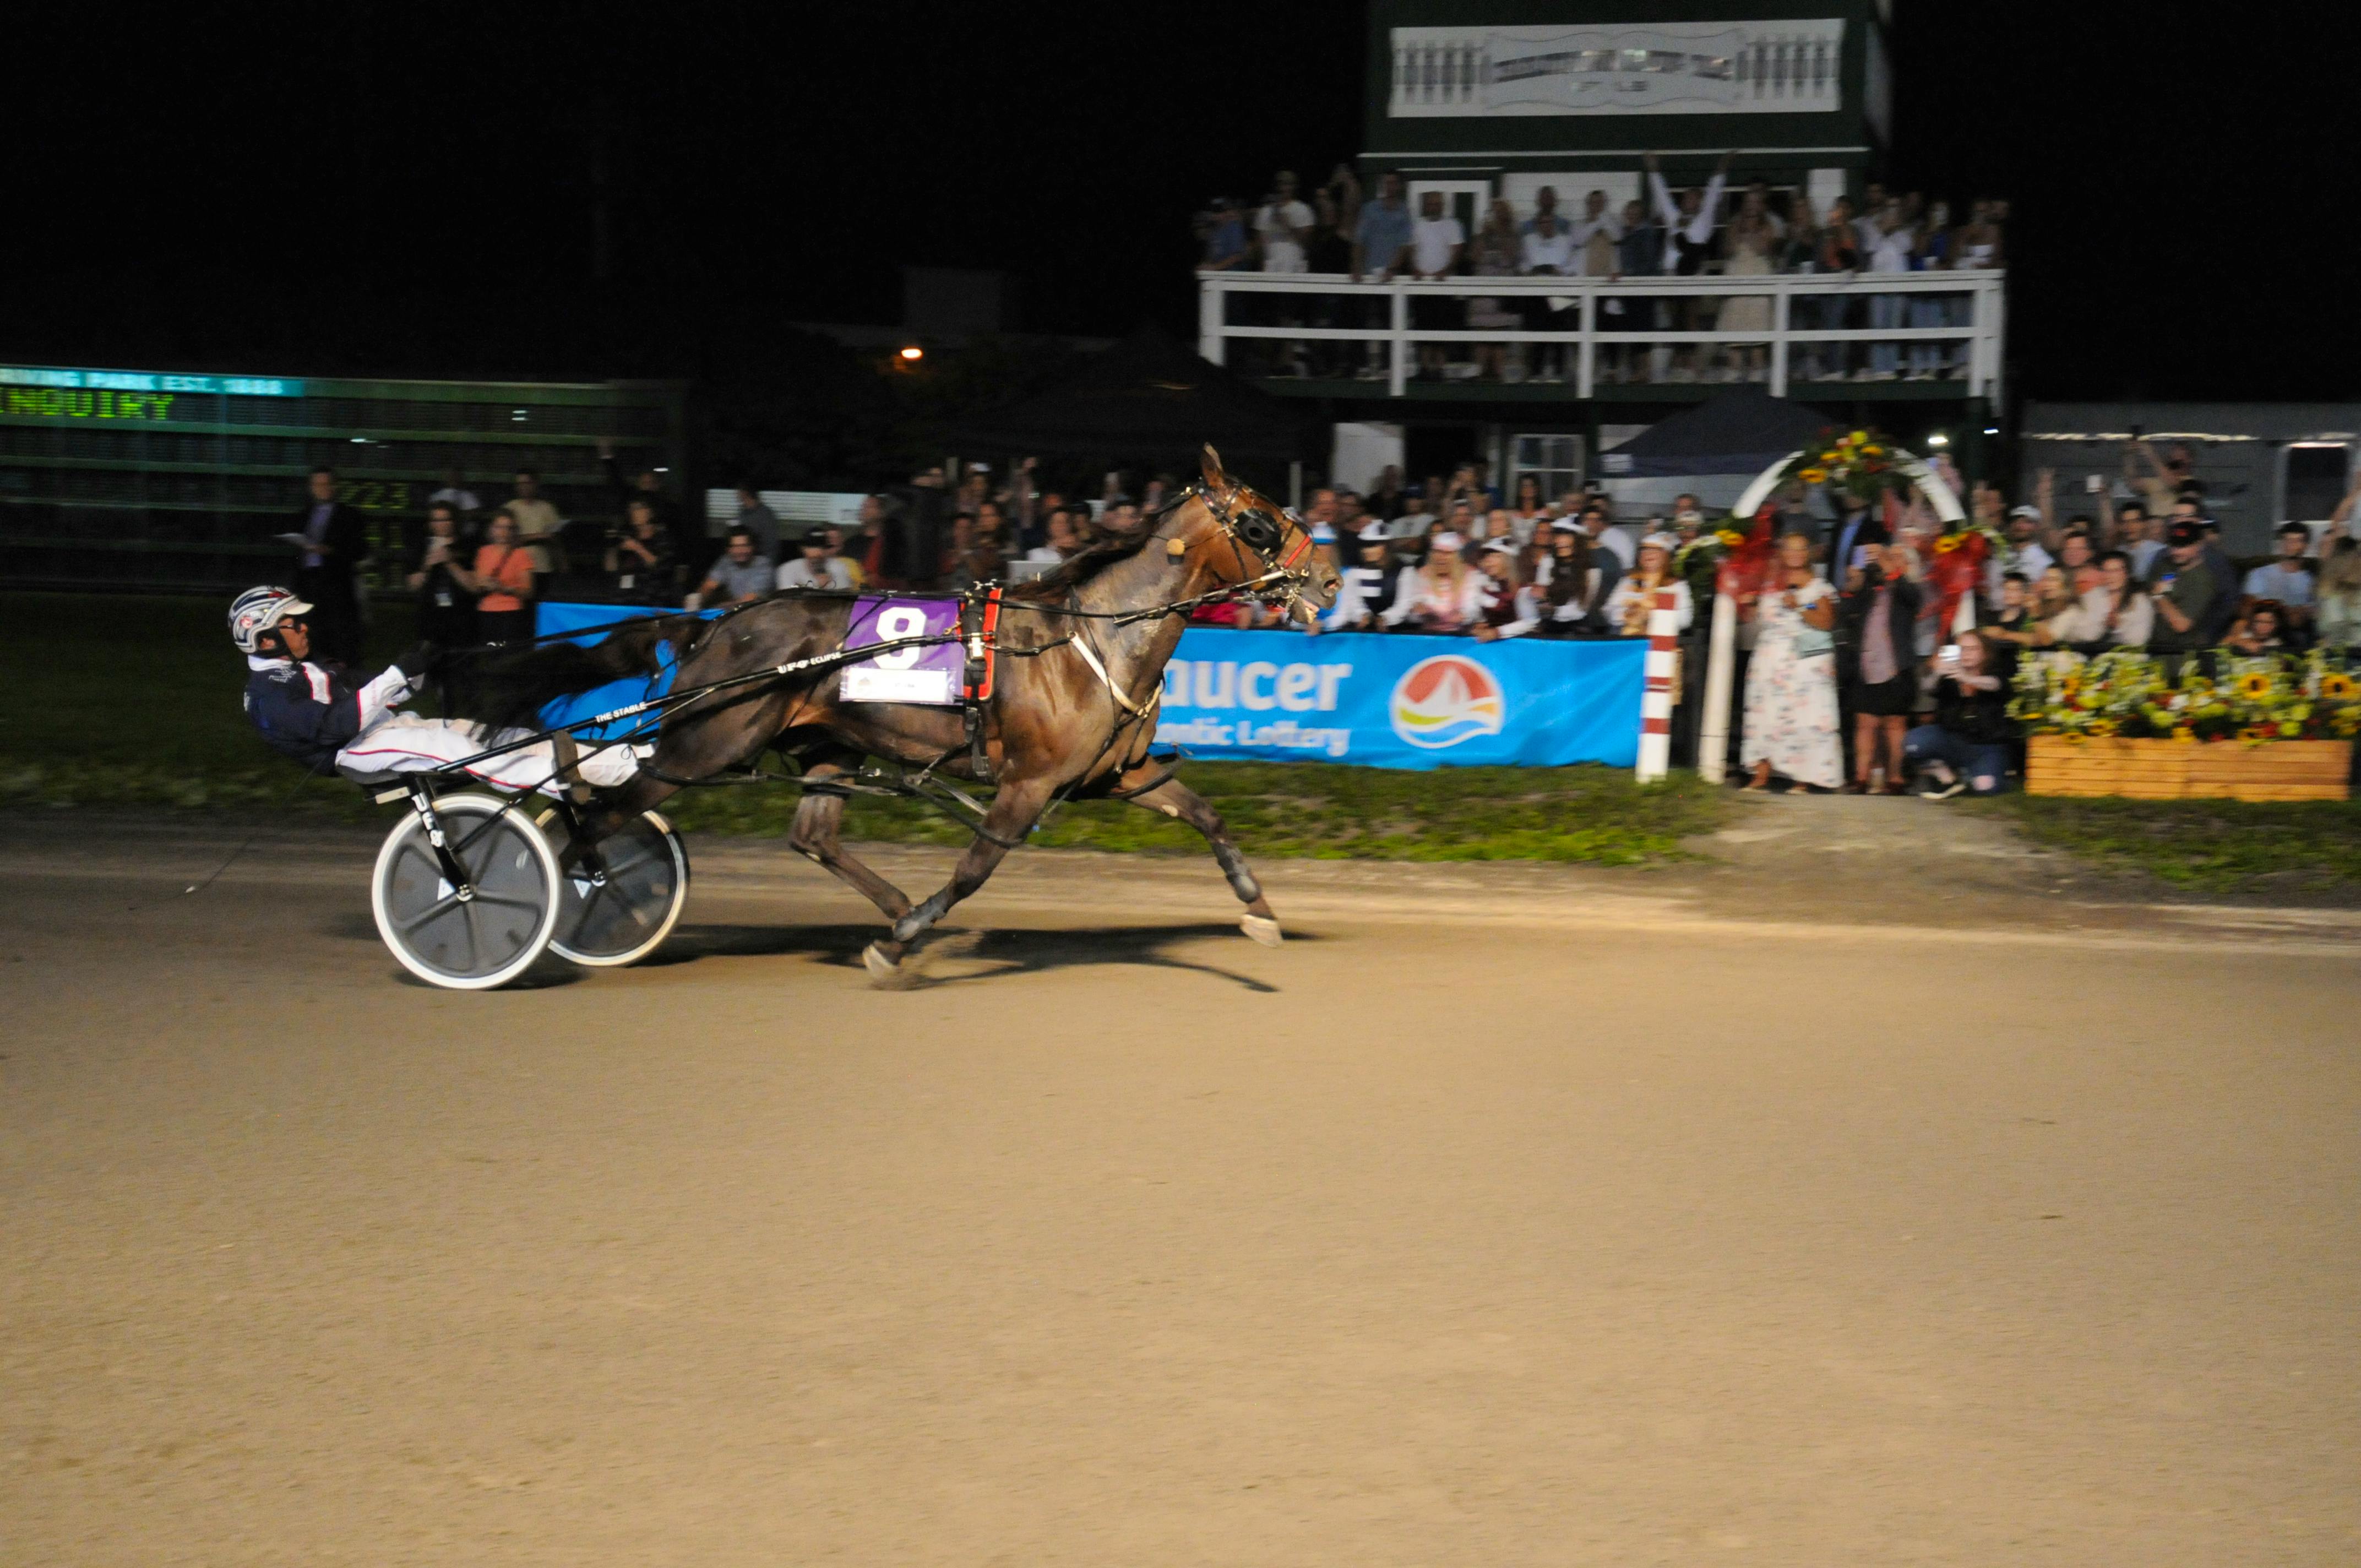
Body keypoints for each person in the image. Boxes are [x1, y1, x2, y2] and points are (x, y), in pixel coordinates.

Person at [230, 586, 635, 793]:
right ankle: (566, 780)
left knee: (496, 736)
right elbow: (340, 723)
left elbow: (376, 694)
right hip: (352, 751)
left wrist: (424, 669)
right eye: (292, 624)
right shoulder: (269, 695)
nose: (304, 627)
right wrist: (396, 673)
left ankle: (623, 762)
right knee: (461, 750)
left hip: (383, 730)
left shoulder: (305, 666)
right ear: (265, 639)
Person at [1739, 533, 1842, 791]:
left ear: (1808, 553)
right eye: (1790, 549)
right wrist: (1747, 602)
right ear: (1782, 552)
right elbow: (1755, 619)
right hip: (1770, 659)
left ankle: (1802, 780)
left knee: (1804, 718)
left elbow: (1827, 621)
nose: (1795, 554)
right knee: (1766, 717)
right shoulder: (1770, 584)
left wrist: (1799, 606)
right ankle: (1761, 776)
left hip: (1804, 663)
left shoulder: (1818, 585)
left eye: (1801, 549)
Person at [1839, 541, 1922, 793]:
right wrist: (1854, 583)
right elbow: (1847, 608)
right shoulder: (1873, 587)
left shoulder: (1910, 588)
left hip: (1896, 667)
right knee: (1865, 723)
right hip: (1866, 665)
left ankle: (1895, 778)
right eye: (1889, 554)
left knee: (1894, 724)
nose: (1890, 558)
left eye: (1898, 556)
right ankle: (1861, 778)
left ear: (1908, 563)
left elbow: (1913, 599)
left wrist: (1893, 572)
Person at [1642, 149, 1730, 382]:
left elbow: (1713, 194)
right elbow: (1661, 196)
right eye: (1686, 198)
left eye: (1694, 198)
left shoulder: (1704, 219)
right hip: (1673, 275)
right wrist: (1653, 169)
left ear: (1699, 201)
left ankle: (1692, 364)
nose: (1689, 201)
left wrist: (1721, 169)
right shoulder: (1674, 217)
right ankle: (1678, 363)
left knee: (1691, 318)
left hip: (1692, 274)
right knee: (1675, 320)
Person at [1905, 629, 2016, 798]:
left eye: (1973, 649)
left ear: (1985, 653)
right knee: (1914, 744)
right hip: (1953, 741)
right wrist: (1938, 673)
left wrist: (1967, 678)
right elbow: (1927, 688)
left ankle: (1976, 776)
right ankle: (1948, 778)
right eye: (1962, 649)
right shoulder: (1949, 677)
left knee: (1986, 789)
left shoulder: (1996, 670)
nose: (1967, 654)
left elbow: (1995, 684)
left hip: (1986, 747)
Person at [286, 466, 368, 665]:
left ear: (334, 486)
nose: (322, 489)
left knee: (340, 641)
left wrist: (330, 551)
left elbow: (360, 550)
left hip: (336, 587)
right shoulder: (303, 515)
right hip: (308, 585)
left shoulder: (349, 516)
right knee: (311, 637)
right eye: (317, 484)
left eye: (326, 484)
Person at [1350, 173, 1414, 380]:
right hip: (1368, 275)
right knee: (1360, 320)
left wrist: (1393, 268)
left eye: (1394, 182)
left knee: (1390, 321)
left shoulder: (1404, 212)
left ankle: (1388, 366)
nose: (1390, 186)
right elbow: (1360, 240)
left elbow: (1405, 245)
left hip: (1391, 278)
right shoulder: (1370, 209)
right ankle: (1361, 365)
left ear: (1400, 186)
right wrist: (1357, 267)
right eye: (1386, 182)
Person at [1407, 189, 1466, 381]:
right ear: (1426, 206)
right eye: (1431, 203)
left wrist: (1446, 270)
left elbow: (1457, 250)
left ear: (1443, 205)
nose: (1434, 206)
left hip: (1443, 285)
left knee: (1441, 327)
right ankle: (1424, 368)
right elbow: (1411, 250)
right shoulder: (1417, 226)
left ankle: (1439, 369)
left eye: (1437, 203)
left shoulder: (1452, 225)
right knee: (1423, 325)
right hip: (1422, 285)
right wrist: (1414, 268)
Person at [2144, 519, 2219, 661]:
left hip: (2182, 656)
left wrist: (2159, 596)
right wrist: (2163, 603)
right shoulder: (2165, 565)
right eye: (2174, 545)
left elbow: (2181, 624)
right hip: (2153, 648)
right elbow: (2146, 597)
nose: (2177, 551)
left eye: (2184, 545)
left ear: (2199, 545)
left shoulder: (2203, 581)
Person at [1517, 208, 1576, 382]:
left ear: (1554, 224)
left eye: (1549, 222)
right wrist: (1539, 269)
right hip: (1536, 294)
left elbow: (1571, 266)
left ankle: (1558, 373)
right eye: (1542, 223)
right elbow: (1523, 265)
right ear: (1537, 225)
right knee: (1537, 334)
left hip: (1559, 292)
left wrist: (1558, 271)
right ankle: (1536, 372)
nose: (1546, 226)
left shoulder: (1565, 241)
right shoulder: (1529, 241)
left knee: (1559, 333)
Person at [407, 500, 476, 647]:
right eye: (436, 520)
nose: (441, 524)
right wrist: (426, 566)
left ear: (454, 521)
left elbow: (474, 586)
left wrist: (450, 563)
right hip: (430, 617)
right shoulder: (421, 547)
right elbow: (413, 586)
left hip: (460, 616)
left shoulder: (468, 546)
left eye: (446, 519)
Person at [1384, 531, 1482, 633]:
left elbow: (1473, 609)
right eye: (1437, 552)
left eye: (1447, 553)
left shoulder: (1471, 575)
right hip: (1429, 636)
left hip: (1461, 637)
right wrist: (1419, 612)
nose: (1440, 557)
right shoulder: (1420, 575)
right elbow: (1411, 614)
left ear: (1457, 557)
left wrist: (1463, 616)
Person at [464, 509, 538, 643]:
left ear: (513, 531)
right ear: (492, 529)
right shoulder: (483, 552)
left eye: (508, 528)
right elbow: (477, 581)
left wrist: (504, 588)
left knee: (507, 656)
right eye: (499, 527)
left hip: (510, 612)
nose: (503, 532)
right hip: (485, 611)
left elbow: (528, 591)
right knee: (490, 653)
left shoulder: (521, 554)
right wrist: (480, 583)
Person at [2059, 549, 2152, 652]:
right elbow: (2084, 633)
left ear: (2127, 574)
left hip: (2128, 657)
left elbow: (2138, 641)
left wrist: (2118, 627)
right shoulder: (2094, 595)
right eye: (2106, 571)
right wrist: (2103, 626)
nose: (2110, 576)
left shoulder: (2140, 601)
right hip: (2093, 653)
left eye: (2116, 571)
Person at [1604, 533, 1693, 635]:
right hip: (1626, 637)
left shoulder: (1677, 585)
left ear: (1667, 556)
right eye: (1645, 550)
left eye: (1656, 550)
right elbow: (1609, 611)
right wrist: (1627, 614)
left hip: (1660, 639)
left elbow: (1685, 620)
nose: (1648, 554)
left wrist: (1650, 615)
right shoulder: (1629, 580)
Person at [603, 496, 677, 605]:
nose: (633, 512)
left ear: (650, 512)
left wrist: (637, 548)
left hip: (651, 602)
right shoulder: (629, 536)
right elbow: (610, 568)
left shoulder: (662, 538)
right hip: (624, 600)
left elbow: (661, 567)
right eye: (631, 508)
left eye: (638, 508)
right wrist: (612, 547)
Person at [2243, 523, 2318, 630]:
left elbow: (2303, 616)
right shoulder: (2260, 573)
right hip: (2261, 628)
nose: (2291, 545)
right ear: (2280, 543)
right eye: (2287, 540)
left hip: (2293, 634)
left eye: (2297, 541)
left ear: (2305, 546)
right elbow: (2246, 608)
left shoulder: (2310, 580)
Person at [504, 470, 565, 588]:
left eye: (527, 483)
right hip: (518, 569)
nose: (523, 487)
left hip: (543, 567)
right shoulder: (510, 509)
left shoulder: (548, 509)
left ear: (535, 484)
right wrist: (540, 536)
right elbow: (507, 540)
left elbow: (556, 540)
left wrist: (563, 565)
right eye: (520, 484)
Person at [697, 526, 774, 608]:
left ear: (752, 547)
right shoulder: (726, 562)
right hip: (737, 612)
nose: (740, 551)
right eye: (735, 547)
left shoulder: (764, 565)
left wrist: (722, 607)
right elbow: (709, 586)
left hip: (761, 612)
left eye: (744, 546)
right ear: (728, 549)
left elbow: (750, 601)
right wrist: (696, 599)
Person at [777, 531, 856, 591]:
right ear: (803, 549)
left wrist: (826, 587)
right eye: (812, 547)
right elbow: (786, 601)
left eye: (821, 547)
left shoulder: (839, 568)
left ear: (826, 550)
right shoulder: (787, 569)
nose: (817, 552)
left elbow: (843, 602)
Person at [732, 484, 784, 558]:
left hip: (761, 559)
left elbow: (771, 543)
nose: (736, 494)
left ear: (745, 493)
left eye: (738, 492)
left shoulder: (766, 514)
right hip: (743, 558)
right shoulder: (742, 513)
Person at [2224, 600, 2289, 656]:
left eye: (2269, 622)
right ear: (2252, 622)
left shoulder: (2278, 644)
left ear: (2277, 624)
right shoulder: (2243, 632)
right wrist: (2242, 643)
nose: (2264, 626)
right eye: (2259, 622)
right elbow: (2222, 643)